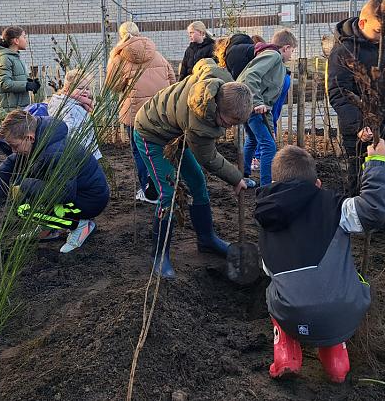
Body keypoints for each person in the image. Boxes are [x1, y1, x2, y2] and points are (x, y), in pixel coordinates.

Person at [256, 141, 385, 382]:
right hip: (343, 313)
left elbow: (268, 269)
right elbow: (374, 210)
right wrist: (376, 163)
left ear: (275, 184)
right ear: (317, 184)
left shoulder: (266, 216)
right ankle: (336, 363)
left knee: (273, 289)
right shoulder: (336, 206)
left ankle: (286, 354)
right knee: (339, 285)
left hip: (291, 315)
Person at [133, 58, 253, 278]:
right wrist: (237, 178)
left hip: (175, 135)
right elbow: (209, 158)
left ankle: (206, 239)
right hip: (151, 135)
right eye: (229, 122)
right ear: (218, 109)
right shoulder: (200, 121)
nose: (230, 127)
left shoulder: (221, 85)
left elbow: (205, 62)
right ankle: (159, 256)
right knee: (168, 194)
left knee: (197, 182)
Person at [0, 109, 110, 253]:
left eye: (14, 146)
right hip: (78, 193)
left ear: (29, 138)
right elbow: (9, 166)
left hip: (89, 201)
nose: (13, 151)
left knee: (23, 209)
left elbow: (64, 193)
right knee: (25, 196)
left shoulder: (55, 152)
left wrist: (25, 185)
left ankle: (80, 225)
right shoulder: (41, 139)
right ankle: (49, 228)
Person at [329, 0, 385, 195]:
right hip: (359, 129)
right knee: (360, 175)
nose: (383, 37)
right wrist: (360, 124)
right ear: (362, 24)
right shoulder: (344, 51)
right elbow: (338, 92)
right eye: (378, 32)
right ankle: (360, 217)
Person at [105, 21, 175, 204]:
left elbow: (113, 85)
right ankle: (164, 185)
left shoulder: (119, 58)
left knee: (140, 151)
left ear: (122, 36)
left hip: (135, 114)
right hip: (160, 113)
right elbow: (172, 80)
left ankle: (149, 191)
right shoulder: (158, 55)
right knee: (159, 149)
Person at [237, 29, 296, 188]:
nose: (291, 55)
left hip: (249, 105)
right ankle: (265, 188)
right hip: (252, 106)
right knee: (268, 145)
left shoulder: (274, 60)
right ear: (286, 47)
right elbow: (251, 76)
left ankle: (244, 176)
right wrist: (256, 102)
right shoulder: (273, 55)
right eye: (292, 50)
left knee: (253, 139)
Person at [47, 68, 101, 160]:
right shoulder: (68, 107)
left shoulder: (78, 104)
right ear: (67, 89)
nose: (85, 91)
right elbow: (70, 130)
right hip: (78, 153)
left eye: (87, 88)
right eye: (80, 88)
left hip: (83, 150)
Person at [0, 26, 40, 109]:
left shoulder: (15, 57)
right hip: (11, 109)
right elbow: (5, 84)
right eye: (24, 37)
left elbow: (16, 77)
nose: (26, 40)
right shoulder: (4, 58)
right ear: (16, 41)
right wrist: (26, 85)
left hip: (20, 107)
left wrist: (30, 82)